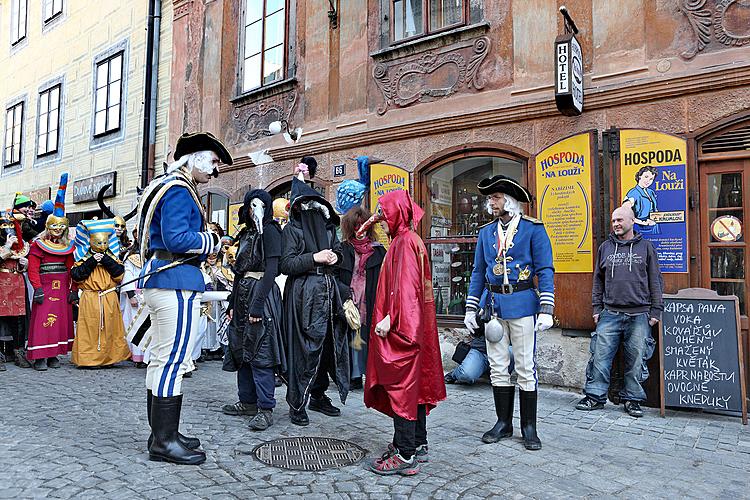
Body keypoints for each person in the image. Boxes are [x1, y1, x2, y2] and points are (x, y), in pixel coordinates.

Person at [137, 131, 232, 465]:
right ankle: (163, 441)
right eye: (214, 161)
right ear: (194, 157)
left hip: (166, 279)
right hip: (174, 281)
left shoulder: (173, 185)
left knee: (163, 359)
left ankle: (163, 434)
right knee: (172, 362)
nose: (216, 170)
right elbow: (176, 238)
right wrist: (212, 241)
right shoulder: (179, 190)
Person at [464, 174, 555, 450]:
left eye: (495, 198)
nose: (491, 203)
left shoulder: (533, 229)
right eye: (490, 198)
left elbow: (545, 269)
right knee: (498, 368)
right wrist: (471, 307)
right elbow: (479, 271)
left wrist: (547, 308)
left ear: (510, 201)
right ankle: (503, 423)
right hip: (493, 307)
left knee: (526, 368)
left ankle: (529, 427)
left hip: (523, 304)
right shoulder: (486, 233)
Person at [365, 190, 446, 476]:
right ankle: (417, 442)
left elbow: (408, 291)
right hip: (413, 326)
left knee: (402, 388)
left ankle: (405, 453)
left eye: (384, 214)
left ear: (398, 213)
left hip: (404, 329)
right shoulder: (408, 240)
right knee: (418, 389)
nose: (381, 220)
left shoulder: (405, 243)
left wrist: (392, 319)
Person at [576, 206, 663, 418]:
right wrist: (597, 308)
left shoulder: (646, 247)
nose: (616, 224)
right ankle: (595, 397)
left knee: (637, 359)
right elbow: (597, 280)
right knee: (600, 357)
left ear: (632, 221)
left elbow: (656, 280)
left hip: (639, 313)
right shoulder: (605, 247)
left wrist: (656, 311)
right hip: (610, 313)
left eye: (620, 220)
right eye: (613, 220)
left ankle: (632, 399)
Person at [280, 175, 354, 426]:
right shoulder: (293, 229)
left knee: (328, 347)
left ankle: (319, 395)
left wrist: (335, 257)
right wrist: (314, 257)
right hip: (303, 295)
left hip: (328, 292)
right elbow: (286, 264)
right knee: (304, 348)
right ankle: (297, 402)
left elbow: (341, 254)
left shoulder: (328, 227)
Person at [222, 189, 285, 431]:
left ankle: (265, 408)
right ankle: (247, 401)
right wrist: (231, 303)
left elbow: (271, 271)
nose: (254, 210)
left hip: (263, 296)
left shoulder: (270, 231)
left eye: (259, 205)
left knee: (261, 351)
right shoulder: (247, 233)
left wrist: (258, 305)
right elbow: (239, 271)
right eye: (251, 205)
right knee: (241, 349)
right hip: (242, 295)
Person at [26, 174, 77, 371]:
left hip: (62, 287)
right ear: (47, 226)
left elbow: (72, 268)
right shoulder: (38, 245)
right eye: (53, 226)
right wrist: (37, 288)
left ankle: (54, 354)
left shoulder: (68, 247)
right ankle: (39, 356)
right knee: (42, 321)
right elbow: (32, 267)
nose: (57, 229)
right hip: (45, 288)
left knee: (60, 321)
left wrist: (74, 289)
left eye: (60, 226)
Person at [70, 219, 131, 368]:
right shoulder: (82, 258)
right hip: (90, 297)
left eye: (105, 243)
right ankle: (87, 359)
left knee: (110, 328)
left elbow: (119, 274)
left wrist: (105, 260)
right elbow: (77, 275)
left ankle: (109, 358)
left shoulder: (112, 257)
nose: (102, 246)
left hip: (108, 297)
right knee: (89, 329)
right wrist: (91, 262)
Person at [338, 206, 385, 390]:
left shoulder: (379, 251)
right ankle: (353, 375)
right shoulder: (342, 249)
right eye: (355, 226)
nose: (359, 229)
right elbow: (334, 276)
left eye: (362, 225)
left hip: (370, 301)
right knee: (350, 339)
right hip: (349, 302)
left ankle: (370, 373)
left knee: (367, 338)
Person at [0, 210, 30, 371]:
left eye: (11, 225)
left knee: (18, 318)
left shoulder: (23, 244)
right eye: (4, 225)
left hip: (17, 282)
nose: (8, 228)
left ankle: (17, 351)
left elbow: (25, 265)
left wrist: (25, 264)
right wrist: (6, 247)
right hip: (0, 283)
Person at [120, 236, 146, 368]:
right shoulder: (131, 258)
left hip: (152, 294)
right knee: (138, 325)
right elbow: (128, 275)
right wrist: (131, 295)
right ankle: (138, 356)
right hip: (137, 295)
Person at [623, 166, 659, 235]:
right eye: (646, 177)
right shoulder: (633, 193)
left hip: (653, 227)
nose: (648, 181)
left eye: (651, 179)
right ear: (639, 176)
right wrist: (642, 222)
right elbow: (624, 211)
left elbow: (654, 209)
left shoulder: (651, 192)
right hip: (638, 228)